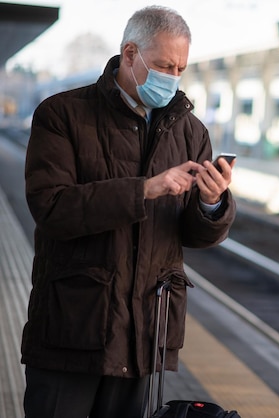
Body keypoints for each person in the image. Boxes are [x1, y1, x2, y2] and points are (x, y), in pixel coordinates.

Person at [20, 6, 236, 418]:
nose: (171, 77)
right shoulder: (63, 114)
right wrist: (145, 189)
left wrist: (212, 202)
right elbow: (52, 209)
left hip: (143, 335)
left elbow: (191, 234)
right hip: (72, 329)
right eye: (162, 65)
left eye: (180, 68)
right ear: (130, 54)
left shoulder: (191, 131)